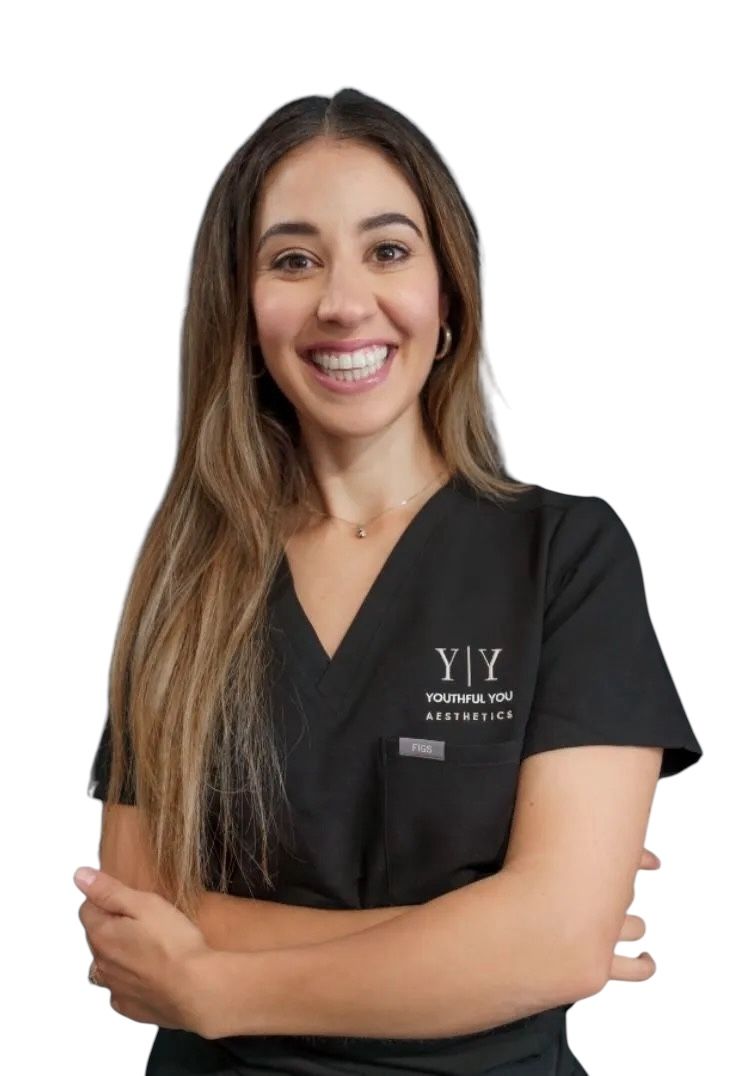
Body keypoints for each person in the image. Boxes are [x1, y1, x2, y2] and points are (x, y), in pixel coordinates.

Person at [84, 88, 703, 1075]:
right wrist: (480, 936)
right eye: (293, 258)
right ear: (240, 308)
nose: (342, 300)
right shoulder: (190, 574)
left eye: (387, 250)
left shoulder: (567, 557)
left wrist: (215, 982)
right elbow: (132, 911)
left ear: (448, 292)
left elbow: (558, 938)